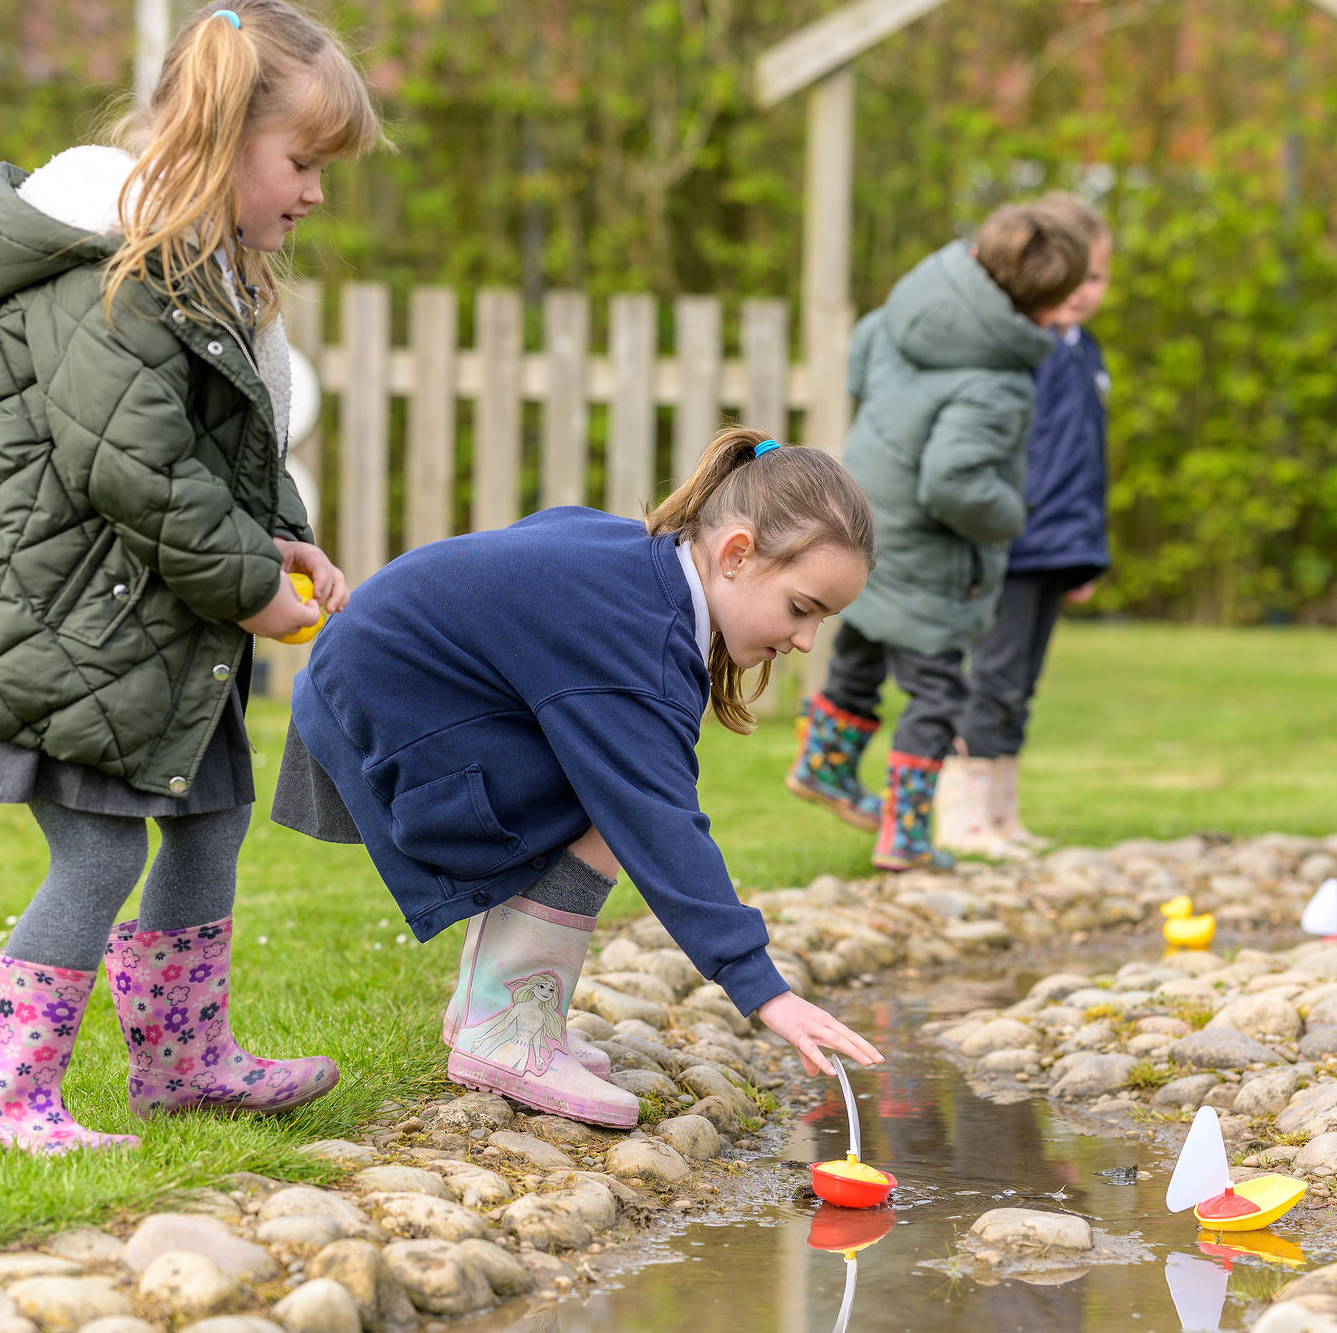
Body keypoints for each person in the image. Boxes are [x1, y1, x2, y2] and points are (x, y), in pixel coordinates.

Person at [0, 0, 383, 1151]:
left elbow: (231, 442)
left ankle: (185, 1064)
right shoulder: (104, 276)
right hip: (59, 619)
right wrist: (253, 591)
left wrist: (284, 534)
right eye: (302, 161)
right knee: (102, 845)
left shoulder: (203, 276)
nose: (316, 192)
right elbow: (140, 473)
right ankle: (3, 1103)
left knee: (210, 822)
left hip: (138, 624)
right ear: (221, 139)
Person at [273, 429, 887, 1128]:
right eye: (802, 608)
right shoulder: (637, 635)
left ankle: (504, 1012)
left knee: (611, 790)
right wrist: (764, 990)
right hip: (381, 720)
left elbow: (542, 539)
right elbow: (658, 822)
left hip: (369, 693)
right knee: (619, 802)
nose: (806, 639)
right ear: (736, 554)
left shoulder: (638, 566)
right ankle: (506, 1031)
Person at [785, 203, 1089, 871]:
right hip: (930, 549)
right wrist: (1010, 515)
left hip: (864, 515)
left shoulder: (910, 306)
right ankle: (908, 836)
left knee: (862, 644)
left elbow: (861, 360)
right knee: (937, 689)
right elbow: (952, 483)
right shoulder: (998, 379)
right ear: (1036, 306)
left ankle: (824, 766)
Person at [938, 192, 1114, 860]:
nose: (1081, 291)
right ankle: (962, 816)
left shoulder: (1085, 353)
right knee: (993, 677)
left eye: (1095, 277)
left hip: (1058, 547)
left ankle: (1003, 813)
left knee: (1023, 687)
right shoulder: (1019, 352)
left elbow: (1084, 464)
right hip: (1010, 544)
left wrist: (1083, 556)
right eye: (1071, 276)